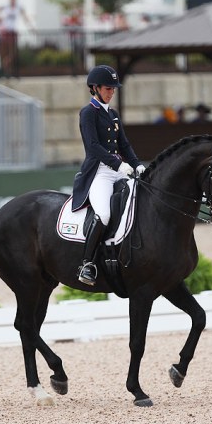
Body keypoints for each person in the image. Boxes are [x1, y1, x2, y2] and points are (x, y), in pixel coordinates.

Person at [71, 65, 146, 286]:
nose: (111, 92)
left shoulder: (112, 114)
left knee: (138, 203)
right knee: (103, 214)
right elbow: (93, 146)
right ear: (94, 88)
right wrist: (117, 164)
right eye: (107, 88)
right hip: (100, 173)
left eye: (113, 88)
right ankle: (87, 264)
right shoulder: (88, 113)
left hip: (119, 169)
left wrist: (136, 164)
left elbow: (124, 144)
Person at [0, 0, 33, 77]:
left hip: (13, 31)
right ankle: (6, 71)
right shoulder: (5, 5)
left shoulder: (19, 6)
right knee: (5, 52)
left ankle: (5, 65)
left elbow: (25, 17)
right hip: (5, 31)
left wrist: (31, 27)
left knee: (13, 52)